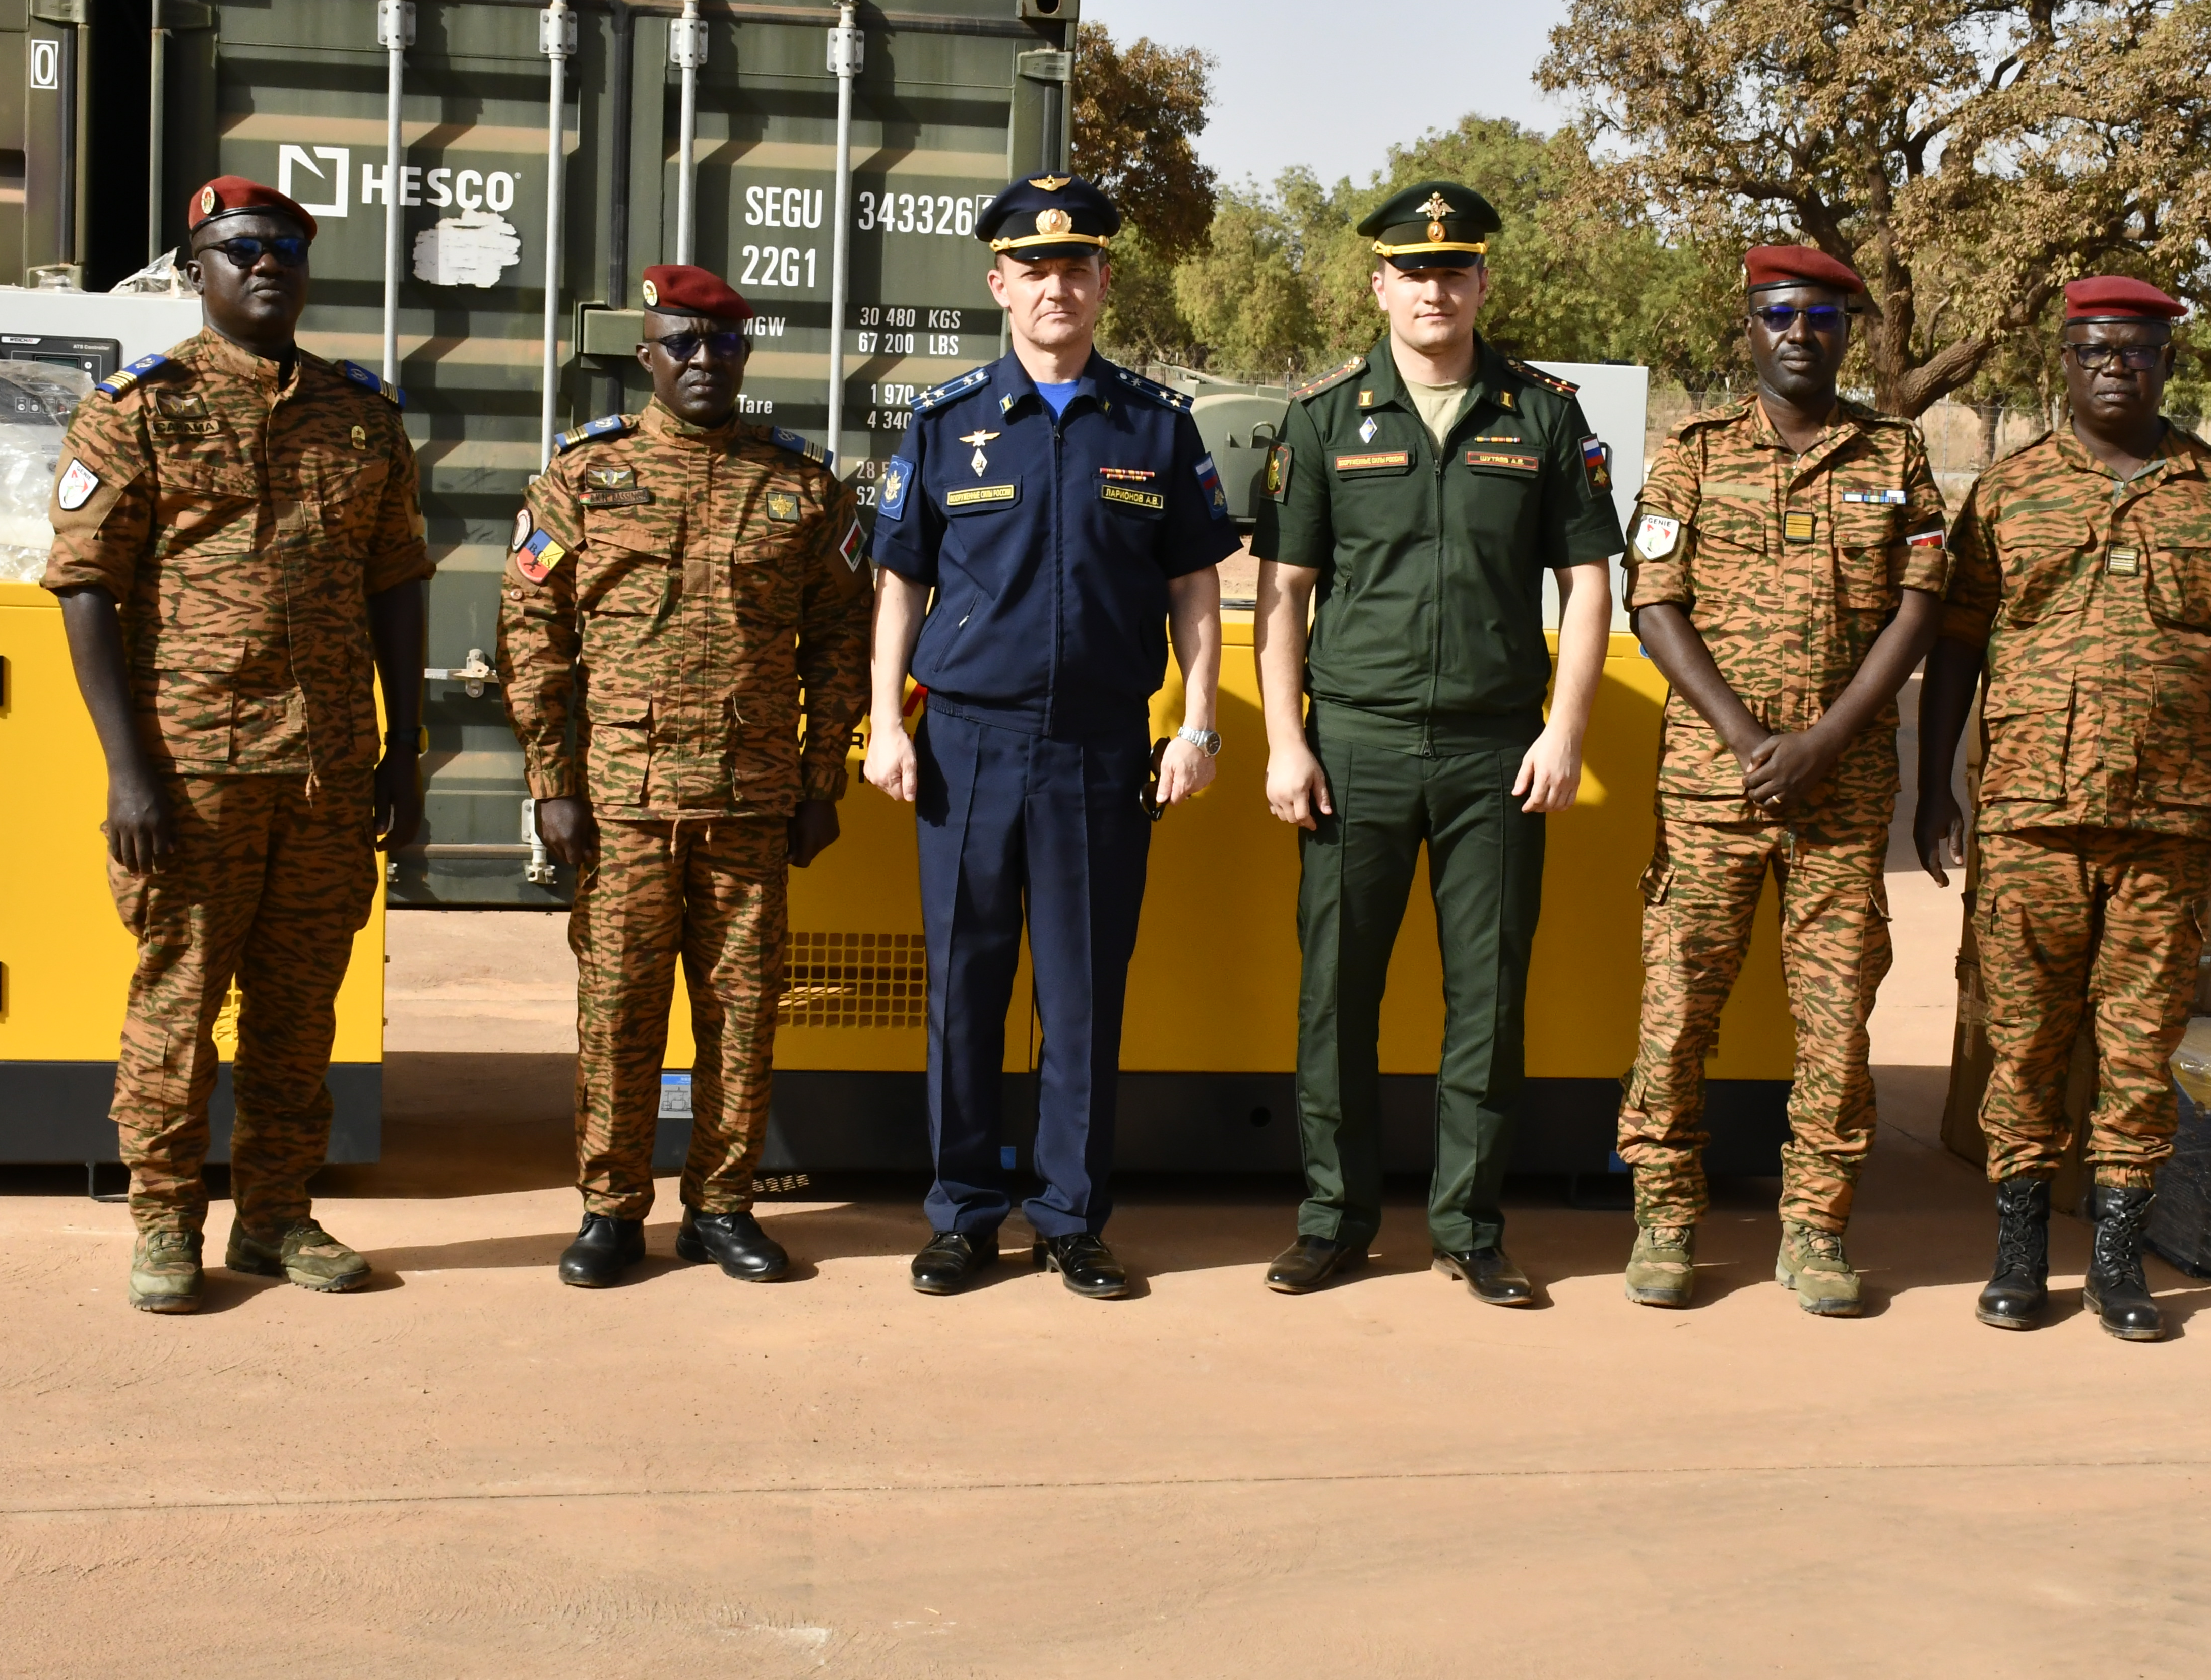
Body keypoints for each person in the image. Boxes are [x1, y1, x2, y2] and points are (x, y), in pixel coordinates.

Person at [47, 174, 431, 1314]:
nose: (268, 265)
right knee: (177, 1005)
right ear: (197, 271)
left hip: (326, 771)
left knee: (299, 1009)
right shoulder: (139, 409)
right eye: (242, 249)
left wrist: (403, 750)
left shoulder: (361, 414)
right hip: (193, 772)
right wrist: (129, 770)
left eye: (286, 251)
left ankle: (275, 1216)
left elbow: (398, 583)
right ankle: (166, 1223)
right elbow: (85, 586)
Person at [863, 172, 1238, 1300]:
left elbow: (1196, 588)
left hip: (1098, 748)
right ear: (1000, 285)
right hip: (967, 744)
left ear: (1104, 282)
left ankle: (1072, 1218)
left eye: (1076, 267)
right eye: (1034, 270)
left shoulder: (1156, 425)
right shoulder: (946, 423)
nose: (1055, 288)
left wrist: (1199, 725)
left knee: (1080, 998)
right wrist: (884, 723)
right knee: (965, 989)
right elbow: (900, 582)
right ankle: (964, 1215)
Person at [1249, 182, 1623, 1307]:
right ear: (1381, 285)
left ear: (1482, 283)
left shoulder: (1543, 415)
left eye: (1454, 270)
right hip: (1353, 746)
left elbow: (1588, 583)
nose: (1434, 290)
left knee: (1489, 1001)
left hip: (1494, 753)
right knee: (1335, 999)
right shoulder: (1324, 418)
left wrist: (1565, 729)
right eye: (1413, 272)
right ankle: (1334, 1220)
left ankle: (1470, 1227)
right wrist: (1285, 743)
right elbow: (1284, 592)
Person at [1914, 274, 2211, 1342]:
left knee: (2138, 1045)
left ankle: (2118, 1260)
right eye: (2093, 349)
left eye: (2135, 349)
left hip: (2168, 823)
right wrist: (1936, 785)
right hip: (2029, 816)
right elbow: (1956, 647)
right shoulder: (2008, 490)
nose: (2114, 366)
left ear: (2166, 362)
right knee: (2024, 1041)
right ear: (2066, 364)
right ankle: (2021, 1252)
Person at [498, 264, 873, 1289]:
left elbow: (842, 638)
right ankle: (611, 1208)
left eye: (724, 343)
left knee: (741, 1014)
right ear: (647, 356)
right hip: (623, 803)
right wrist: (552, 780)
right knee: (618, 1012)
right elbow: (532, 629)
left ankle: (721, 1206)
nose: (704, 360)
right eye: (682, 343)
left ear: (746, 355)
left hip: (752, 802)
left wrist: (820, 780)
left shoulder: (802, 486)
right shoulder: (584, 477)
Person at [1617, 245, 1948, 1318]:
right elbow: (1653, 599)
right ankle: (1667, 1218)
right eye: (1779, 314)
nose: (1800, 333)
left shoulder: (1895, 452)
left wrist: (1826, 741)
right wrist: (1751, 737)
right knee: (1678, 1011)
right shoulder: (1694, 454)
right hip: (1711, 788)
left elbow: (1921, 605)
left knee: (1838, 1024)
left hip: (1842, 796)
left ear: (1848, 331)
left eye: (1821, 317)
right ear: (1751, 328)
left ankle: (1815, 1228)